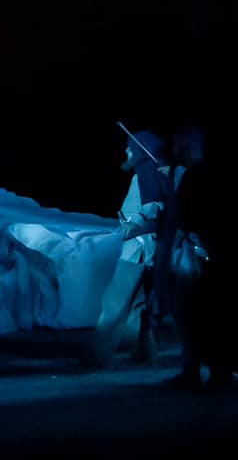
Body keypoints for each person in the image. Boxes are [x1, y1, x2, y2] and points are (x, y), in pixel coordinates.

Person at [164, 125, 238, 389]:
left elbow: (187, 218)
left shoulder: (196, 177)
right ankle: (206, 370)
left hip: (200, 259)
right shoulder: (213, 175)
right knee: (210, 315)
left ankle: (209, 371)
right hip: (214, 256)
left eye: (176, 144)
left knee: (200, 316)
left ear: (184, 147)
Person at [91, 128, 170, 365]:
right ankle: (147, 351)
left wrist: (133, 225)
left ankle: (98, 355)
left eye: (130, 147)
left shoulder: (146, 169)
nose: (126, 151)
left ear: (140, 149)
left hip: (138, 246)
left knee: (115, 299)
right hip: (155, 247)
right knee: (143, 303)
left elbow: (153, 205)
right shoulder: (164, 170)